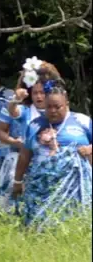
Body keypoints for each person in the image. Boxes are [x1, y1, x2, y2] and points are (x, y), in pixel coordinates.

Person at [12, 80, 92, 229]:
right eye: (49, 107)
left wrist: (89, 149)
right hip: (41, 185)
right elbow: (25, 155)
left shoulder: (82, 121)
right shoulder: (35, 124)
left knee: (72, 225)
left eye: (58, 107)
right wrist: (17, 181)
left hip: (73, 188)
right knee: (39, 226)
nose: (53, 111)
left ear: (66, 103)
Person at [0, 60, 59, 212]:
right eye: (35, 93)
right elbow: (13, 111)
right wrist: (16, 100)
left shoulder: (56, 112)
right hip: (23, 162)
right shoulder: (26, 110)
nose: (39, 97)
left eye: (43, 92)